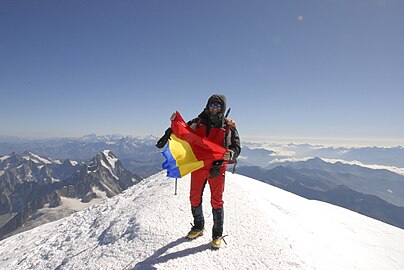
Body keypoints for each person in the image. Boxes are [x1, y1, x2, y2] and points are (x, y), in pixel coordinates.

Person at [157, 94, 241, 249]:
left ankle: (217, 234)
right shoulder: (198, 122)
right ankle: (198, 226)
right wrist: (174, 122)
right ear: (208, 106)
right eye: (212, 104)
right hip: (199, 165)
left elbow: (236, 146)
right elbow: (183, 132)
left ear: (222, 107)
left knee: (216, 201)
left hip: (217, 166)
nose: (215, 108)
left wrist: (232, 154)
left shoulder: (228, 126)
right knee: (194, 197)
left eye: (218, 105)